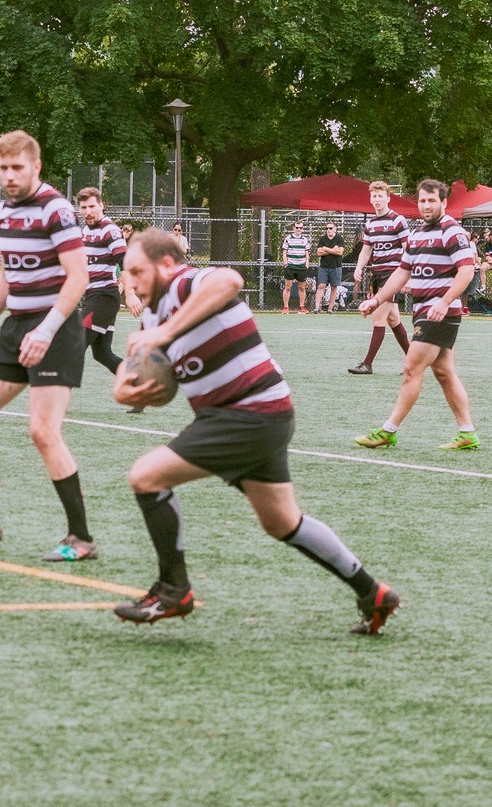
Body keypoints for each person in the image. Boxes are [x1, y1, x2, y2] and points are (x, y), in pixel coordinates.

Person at [108, 229, 401, 634]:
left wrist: (165, 333)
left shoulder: (186, 284)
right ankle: (373, 592)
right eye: (126, 273)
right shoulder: (152, 317)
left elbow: (230, 280)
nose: (131, 281)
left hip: (249, 412)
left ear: (167, 265)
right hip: (253, 416)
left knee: (146, 477)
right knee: (283, 522)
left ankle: (174, 590)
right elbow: (147, 381)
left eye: (138, 271)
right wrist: (124, 391)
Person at [0, 131, 97, 563]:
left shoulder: (56, 209)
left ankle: (81, 538)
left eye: (17, 168)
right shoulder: (4, 210)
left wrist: (46, 330)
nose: (9, 176)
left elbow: (78, 278)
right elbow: (8, 275)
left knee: (43, 431)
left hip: (56, 331)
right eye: (3, 168)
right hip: (15, 329)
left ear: (35, 167)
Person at [354, 179, 481, 452]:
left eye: (432, 200)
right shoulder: (417, 234)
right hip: (424, 311)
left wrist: (445, 302)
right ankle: (467, 432)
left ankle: (388, 431)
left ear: (444, 203)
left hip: (439, 314)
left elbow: (467, 270)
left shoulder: (452, 231)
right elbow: (402, 273)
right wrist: (376, 300)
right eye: (422, 200)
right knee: (444, 373)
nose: (426, 205)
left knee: (411, 369)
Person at [348, 181, 412, 374]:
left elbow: (408, 249)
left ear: (388, 198)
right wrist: (359, 267)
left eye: (380, 196)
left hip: (392, 275)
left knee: (378, 316)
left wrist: (408, 276)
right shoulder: (370, 224)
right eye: (374, 196)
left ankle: (367, 364)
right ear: (370, 199)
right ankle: (414, 362)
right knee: (393, 320)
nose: (377, 200)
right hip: (377, 274)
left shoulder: (398, 220)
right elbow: (366, 249)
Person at [75, 187, 128, 374]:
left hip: (103, 297)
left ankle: (54, 393)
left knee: (73, 347)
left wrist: (131, 294)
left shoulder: (109, 230)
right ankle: (140, 382)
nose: (88, 211)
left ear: (101, 205)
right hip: (95, 296)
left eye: (92, 206)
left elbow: (125, 263)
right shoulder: (85, 230)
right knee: (102, 353)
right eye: (84, 207)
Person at [313, 222, 347, 313]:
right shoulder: (323, 239)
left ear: (335, 229)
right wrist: (333, 250)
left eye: (330, 228)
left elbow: (340, 252)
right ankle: (317, 307)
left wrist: (325, 248)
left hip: (336, 267)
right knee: (321, 286)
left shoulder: (339, 239)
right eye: (327, 228)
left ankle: (330, 308)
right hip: (324, 267)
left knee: (334, 287)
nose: (328, 230)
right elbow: (318, 252)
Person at [280, 218, 312, 313]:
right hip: (290, 266)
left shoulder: (305, 239)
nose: (299, 229)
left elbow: (307, 253)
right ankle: (286, 307)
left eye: (300, 228)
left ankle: (301, 307)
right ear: (293, 228)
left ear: (302, 229)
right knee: (288, 287)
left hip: (301, 266)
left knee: (302, 287)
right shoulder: (288, 238)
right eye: (297, 227)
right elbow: (284, 251)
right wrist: (285, 263)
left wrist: (306, 264)